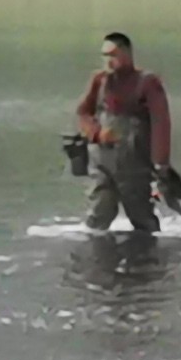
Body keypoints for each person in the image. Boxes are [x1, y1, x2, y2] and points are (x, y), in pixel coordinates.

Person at [73, 30, 174, 237]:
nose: (108, 61)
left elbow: (160, 124)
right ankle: (95, 262)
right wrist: (96, 133)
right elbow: (83, 112)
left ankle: (150, 261)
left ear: (127, 54)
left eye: (113, 55)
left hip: (135, 163)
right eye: (105, 56)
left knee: (142, 217)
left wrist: (161, 165)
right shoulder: (99, 81)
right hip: (101, 162)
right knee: (99, 214)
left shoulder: (147, 83)